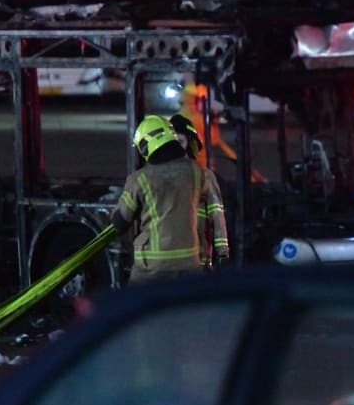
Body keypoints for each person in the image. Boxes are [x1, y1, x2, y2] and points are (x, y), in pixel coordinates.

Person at [111, 115, 225, 284]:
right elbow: (215, 213)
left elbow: (119, 222)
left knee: (135, 303)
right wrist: (223, 253)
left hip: (152, 269)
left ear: (146, 145)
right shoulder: (198, 173)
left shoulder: (139, 179)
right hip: (191, 264)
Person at [169, 114, 229, 270]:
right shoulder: (157, 177)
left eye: (180, 142)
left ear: (190, 143)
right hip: (167, 259)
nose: (176, 147)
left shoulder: (204, 175)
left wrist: (222, 252)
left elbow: (217, 213)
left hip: (197, 257)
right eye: (172, 143)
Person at [177, 83, 267, 183]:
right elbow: (214, 139)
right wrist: (214, 123)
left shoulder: (180, 116)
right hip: (199, 165)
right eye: (202, 100)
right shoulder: (198, 118)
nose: (203, 104)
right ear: (195, 100)